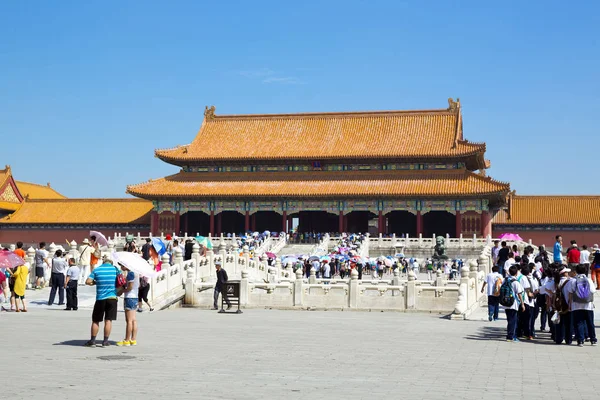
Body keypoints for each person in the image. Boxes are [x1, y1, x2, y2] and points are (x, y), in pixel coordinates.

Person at [85, 257, 119, 347]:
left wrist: (95, 283)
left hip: (100, 298)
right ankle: (105, 341)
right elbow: (121, 281)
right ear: (111, 263)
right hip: (112, 297)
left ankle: (92, 341)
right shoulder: (115, 269)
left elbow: (88, 281)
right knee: (108, 320)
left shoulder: (97, 269)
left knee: (96, 320)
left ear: (103, 262)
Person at [568, 264, 597, 346]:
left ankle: (580, 340)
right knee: (590, 323)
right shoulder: (589, 280)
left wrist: (570, 304)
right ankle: (593, 339)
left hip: (576, 305)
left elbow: (570, 293)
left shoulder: (573, 280)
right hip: (588, 305)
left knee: (579, 323)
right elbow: (592, 291)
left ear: (576, 271)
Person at [117, 264, 140, 347]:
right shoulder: (136, 273)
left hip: (130, 297)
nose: (121, 267)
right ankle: (133, 339)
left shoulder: (131, 273)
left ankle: (127, 340)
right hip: (135, 297)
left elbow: (130, 287)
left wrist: (122, 290)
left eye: (122, 265)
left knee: (129, 320)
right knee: (134, 320)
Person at [504, 265, 525, 342]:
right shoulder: (515, 282)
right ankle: (511, 336)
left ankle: (509, 335)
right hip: (513, 304)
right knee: (513, 320)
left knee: (509, 320)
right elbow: (519, 293)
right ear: (516, 273)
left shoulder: (505, 280)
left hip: (506, 303)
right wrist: (522, 304)